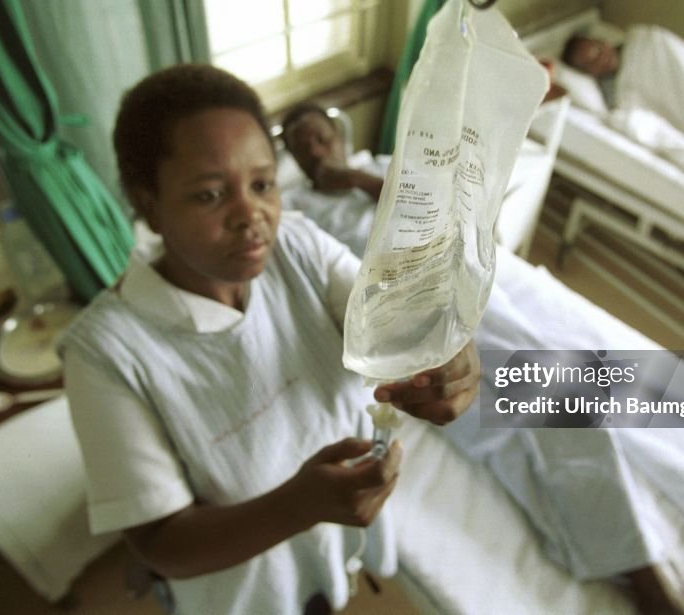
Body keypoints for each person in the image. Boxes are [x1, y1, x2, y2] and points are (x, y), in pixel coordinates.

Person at [61, 65, 480, 615]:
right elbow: (160, 544)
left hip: (328, 540)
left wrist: (446, 351)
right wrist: (299, 505)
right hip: (239, 584)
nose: (251, 216)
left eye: (262, 185)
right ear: (148, 206)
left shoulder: (299, 245)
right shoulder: (106, 354)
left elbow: (391, 318)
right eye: (210, 195)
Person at [278, 104, 684, 615]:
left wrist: (355, 179)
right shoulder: (294, 210)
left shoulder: (387, 169)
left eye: (322, 138)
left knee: (555, 396)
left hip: (464, 295)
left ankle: (642, 576)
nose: (316, 151)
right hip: (403, 321)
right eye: (303, 147)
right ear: (294, 161)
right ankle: (637, 573)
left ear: (339, 136)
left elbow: (455, 221)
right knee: (504, 430)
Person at [562, 33, 623, 108]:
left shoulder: (632, 44)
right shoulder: (613, 95)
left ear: (604, 43)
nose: (601, 60)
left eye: (597, 51)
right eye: (589, 63)